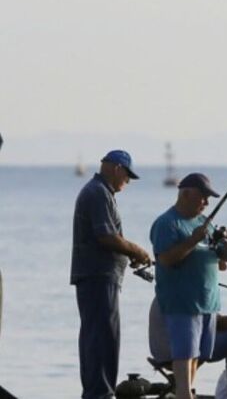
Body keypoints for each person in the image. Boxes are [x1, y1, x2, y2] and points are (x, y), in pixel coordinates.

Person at [150, 173, 227, 399]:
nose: (207, 204)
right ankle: (183, 394)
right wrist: (191, 240)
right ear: (186, 193)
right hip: (182, 302)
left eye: (209, 199)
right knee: (184, 354)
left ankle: (187, 391)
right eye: (203, 197)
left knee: (198, 356)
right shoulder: (167, 223)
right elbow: (167, 260)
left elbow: (222, 262)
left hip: (207, 302)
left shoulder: (204, 223)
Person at [70, 149, 152, 399]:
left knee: (97, 335)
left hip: (98, 276)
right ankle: (100, 393)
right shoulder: (98, 193)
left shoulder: (99, 192)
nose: (127, 182)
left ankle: (96, 392)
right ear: (117, 168)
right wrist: (136, 249)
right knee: (103, 338)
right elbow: (106, 236)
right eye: (127, 177)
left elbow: (108, 237)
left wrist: (129, 255)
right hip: (98, 276)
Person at [148, 298, 227, 399]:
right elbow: (221, 324)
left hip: (161, 351)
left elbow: (215, 323)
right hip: (178, 352)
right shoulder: (193, 289)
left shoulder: (172, 286)